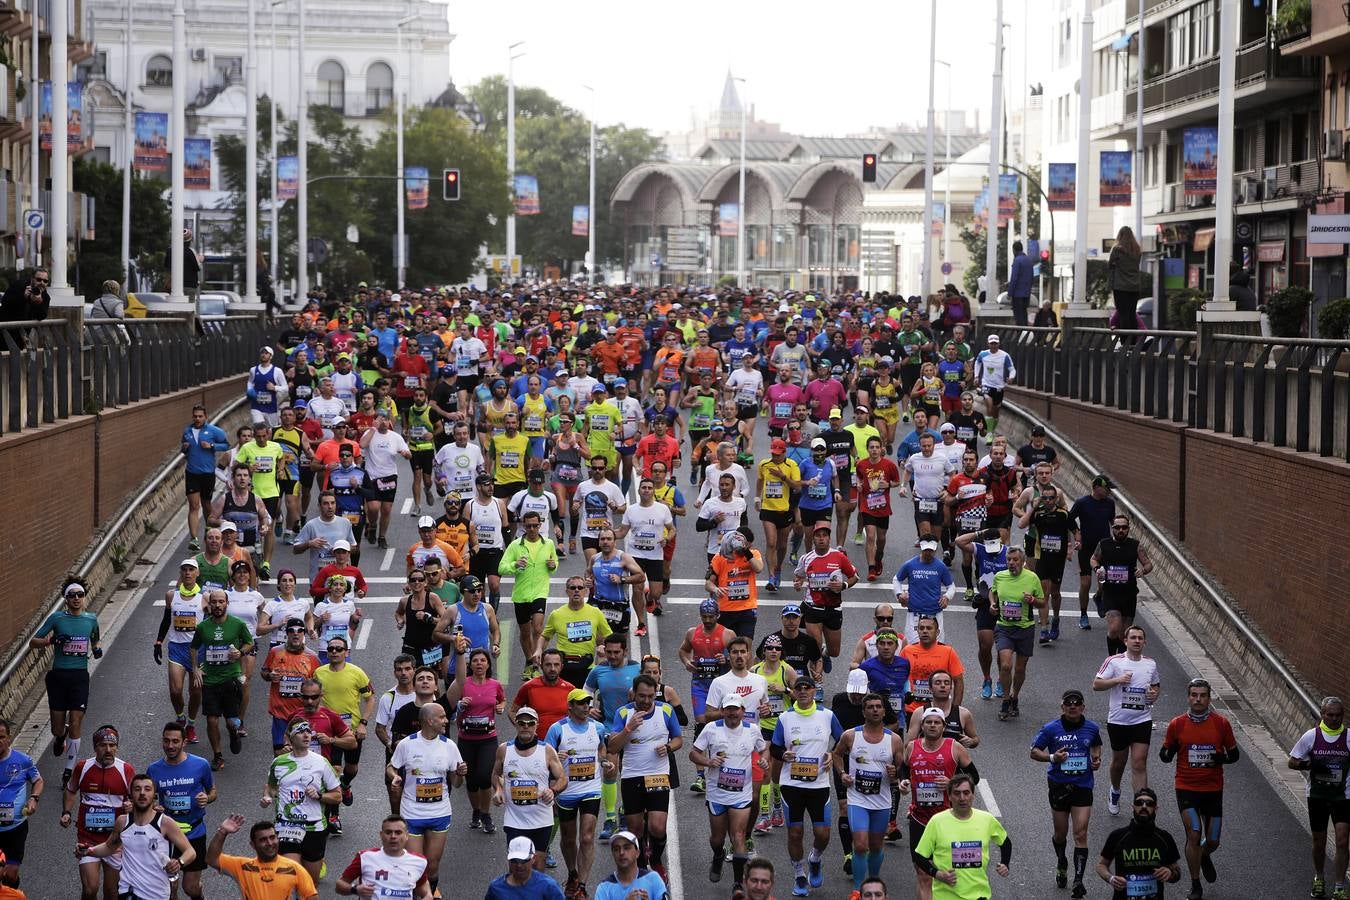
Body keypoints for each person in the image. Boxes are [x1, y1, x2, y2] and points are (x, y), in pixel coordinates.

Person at [1160, 679, 1238, 900]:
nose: (1198, 699)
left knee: (1212, 840)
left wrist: (1220, 758)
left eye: (1202, 695)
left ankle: (1203, 855)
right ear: (1188, 697)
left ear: (1209, 698)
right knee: (1194, 832)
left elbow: (1234, 755)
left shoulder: (1221, 723)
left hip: (1213, 789)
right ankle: (1195, 885)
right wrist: (1172, 748)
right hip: (1186, 787)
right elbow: (1164, 757)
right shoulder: (1177, 724)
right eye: (1194, 695)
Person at [607, 674, 683, 884]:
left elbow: (678, 739)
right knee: (635, 828)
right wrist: (628, 728)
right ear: (633, 693)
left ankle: (657, 861)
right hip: (632, 776)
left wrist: (668, 747)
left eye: (650, 696)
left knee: (658, 827)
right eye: (642, 696)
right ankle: (640, 868)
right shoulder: (623, 713)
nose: (646, 701)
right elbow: (613, 747)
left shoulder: (665, 710)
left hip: (658, 774)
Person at [771, 676, 843, 897]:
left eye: (807, 688)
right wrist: (783, 754)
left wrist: (832, 753)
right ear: (793, 692)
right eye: (798, 688)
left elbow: (844, 739)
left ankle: (814, 859)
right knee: (795, 833)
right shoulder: (785, 718)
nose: (802, 691)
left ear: (814, 691)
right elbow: (774, 748)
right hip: (791, 784)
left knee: (822, 834)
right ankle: (799, 874)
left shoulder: (827, 715)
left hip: (819, 785)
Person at [691, 694, 768, 894]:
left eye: (736, 709)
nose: (733, 713)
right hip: (717, 793)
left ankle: (738, 884)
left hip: (741, 794)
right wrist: (708, 762)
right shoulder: (711, 729)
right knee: (717, 839)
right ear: (723, 711)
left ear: (743, 711)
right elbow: (693, 753)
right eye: (729, 709)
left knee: (739, 836)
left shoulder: (752, 730)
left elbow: (763, 750)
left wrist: (763, 760)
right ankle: (718, 856)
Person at [388, 704, 466, 897]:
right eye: (442, 717)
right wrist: (394, 776)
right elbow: (392, 766)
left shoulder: (449, 746)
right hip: (412, 812)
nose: (446, 721)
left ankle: (429, 892)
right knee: (416, 866)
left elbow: (456, 783)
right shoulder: (406, 744)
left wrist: (460, 774)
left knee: (432, 866)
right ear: (430, 721)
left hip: (439, 813)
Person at [75, 774, 195, 900]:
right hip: (127, 891)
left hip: (156, 894)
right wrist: (88, 851)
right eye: (137, 789)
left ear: (154, 795)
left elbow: (190, 852)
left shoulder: (165, 823)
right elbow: (109, 847)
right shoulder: (122, 822)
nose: (142, 793)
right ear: (131, 795)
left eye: (147, 789)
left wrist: (179, 862)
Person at [1031, 689, 1103, 898]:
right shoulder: (1051, 729)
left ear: (1083, 707)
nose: (1073, 706)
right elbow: (1034, 752)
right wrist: (1053, 757)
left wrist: (1096, 758)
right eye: (1068, 703)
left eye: (1077, 703)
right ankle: (1062, 861)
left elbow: (1096, 745)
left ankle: (1078, 880)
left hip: (1082, 786)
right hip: (1059, 786)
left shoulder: (1091, 728)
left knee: (1080, 834)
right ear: (1062, 707)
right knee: (1060, 833)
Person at [30, 579, 101, 784]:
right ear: (66, 598)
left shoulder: (91, 619)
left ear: (84, 596)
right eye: (72, 595)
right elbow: (33, 642)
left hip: (79, 676)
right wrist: (52, 640)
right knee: (57, 728)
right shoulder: (57, 618)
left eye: (80, 594)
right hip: (58, 676)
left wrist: (96, 648)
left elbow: (95, 637)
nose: (77, 598)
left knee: (77, 720)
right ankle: (61, 737)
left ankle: (69, 770)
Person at [545, 688, 614, 900]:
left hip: (590, 789)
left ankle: (582, 886)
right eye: (581, 703)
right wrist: (557, 757)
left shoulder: (598, 727)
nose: (586, 707)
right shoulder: (558, 730)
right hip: (566, 792)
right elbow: (545, 758)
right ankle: (573, 874)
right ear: (570, 706)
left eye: (588, 703)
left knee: (586, 837)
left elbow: (602, 748)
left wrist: (604, 762)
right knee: (568, 839)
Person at [834, 693, 904, 897]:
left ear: (883, 711)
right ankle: (857, 889)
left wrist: (895, 772)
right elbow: (837, 754)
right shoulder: (850, 736)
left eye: (878, 707)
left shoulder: (895, 740)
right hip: (858, 799)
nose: (875, 710)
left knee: (875, 846)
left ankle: (874, 884)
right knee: (861, 844)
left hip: (881, 801)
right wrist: (843, 774)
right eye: (870, 707)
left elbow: (901, 768)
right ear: (863, 711)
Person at [262, 718, 343, 884]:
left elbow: (337, 796)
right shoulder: (278, 762)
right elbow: (270, 786)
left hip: (314, 827)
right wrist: (267, 797)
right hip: (286, 826)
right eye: (300, 731)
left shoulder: (321, 762)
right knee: (289, 879)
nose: (306, 734)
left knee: (308, 885)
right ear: (290, 737)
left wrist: (320, 796)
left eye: (308, 731)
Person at [1092, 624, 1161, 815]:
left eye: (1140, 638)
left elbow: (1156, 686)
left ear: (1145, 642)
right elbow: (1096, 684)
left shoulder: (1150, 664)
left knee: (1139, 763)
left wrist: (1154, 695)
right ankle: (1115, 790)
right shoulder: (1114, 662)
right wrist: (1117, 680)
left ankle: (1142, 805)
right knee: (1119, 762)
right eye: (1133, 638)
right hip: (1118, 721)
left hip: (1142, 720)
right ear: (1125, 641)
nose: (1137, 641)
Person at [63, 725, 135, 900]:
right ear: (95, 747)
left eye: (112, 745)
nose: (108, 750)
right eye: (103, 745)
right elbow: (71, 790)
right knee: (90, 889)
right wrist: (66, 812)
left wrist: (131, 806)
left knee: (112, 893)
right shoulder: (83, 767)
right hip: (87, 838)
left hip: (115, 841)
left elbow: (140, 800)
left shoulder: (126, 770)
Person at [144, 720, 214, 900]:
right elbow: (147, 800)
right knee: (170, 886)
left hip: (194, 831)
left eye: (175, 741)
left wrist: (207, 798)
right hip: (166, 835)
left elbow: (212, 791)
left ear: (184, 742)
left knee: (190, 888)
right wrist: (154, 808)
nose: (170, 745)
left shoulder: (201, 765)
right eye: (166, 741)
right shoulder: (154, 770)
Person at [912, 774, 1011, 900]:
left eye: (966, 793)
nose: (962, 798)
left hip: (979, 895)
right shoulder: (937, 821)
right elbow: (919, 856)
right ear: (949, 797)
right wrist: (937, 874)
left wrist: (1005, 863)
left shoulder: (986, 819)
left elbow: (1005, 842)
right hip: (945, 896)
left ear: (973, 795)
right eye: (957, 793)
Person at [1289, 697, 1350, 900]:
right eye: (1329, 715)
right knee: (1319, 841)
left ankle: (1340, 887)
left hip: (1343, 795)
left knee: (1342, 840)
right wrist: (1311, 766)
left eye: (1338, 715)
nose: (1334, 719)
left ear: (1343, 715)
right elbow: (1292, 761)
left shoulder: (1349, 737)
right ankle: (1319, 877)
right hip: (1317, 794)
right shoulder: (1311, 736)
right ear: (1322, 715)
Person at [492, 708, 567, 872]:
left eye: (530, 723)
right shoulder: (504, 750)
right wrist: (498, 789)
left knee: (538, 865)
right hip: (514, 820)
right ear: (516, 724)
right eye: (521, 723)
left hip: (541, 819)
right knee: (516, 866)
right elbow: (495, 774)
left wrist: (553, 791)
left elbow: (562, 779)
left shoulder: (547, 750)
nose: (526, 726)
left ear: (536, 725)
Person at [189, 588, 254, 771]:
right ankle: (217, 755)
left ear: (227, 603)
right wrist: (195, 669)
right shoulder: (203, 627)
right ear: (209, 605)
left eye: (221, 602)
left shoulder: (237, 624)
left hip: (230, 679)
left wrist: (239, 652)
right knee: (211, 720)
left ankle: (233, 733)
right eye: (214, 602)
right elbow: (193, 648)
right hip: (210, 679)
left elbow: (250, 643)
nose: (217, 605)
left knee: (231, 721)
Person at [500, 510, 560, 675]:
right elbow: (501, 567)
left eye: (535, 525)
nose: (532, 529)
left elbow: (554, 564)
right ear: (523, 526)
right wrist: (515, 565)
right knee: (525, 632)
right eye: (528, 526)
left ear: (540, 525)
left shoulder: (547, 544)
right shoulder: (515, 545)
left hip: (540, 593)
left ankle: (536, 661)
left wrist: (553, 566)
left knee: (538, 628)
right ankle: (529, 661)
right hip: (521, 595)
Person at [1096, 787, 1183, 900]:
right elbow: (1101, 865)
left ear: (1155, 808)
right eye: (1139, 803)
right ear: (1133, 807)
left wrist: (1170, 873)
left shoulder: (1164, 838)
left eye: (1149, 803)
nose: (1144, 806)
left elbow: (1176, 872)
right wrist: (1111, 878)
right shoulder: (1118, 836)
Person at [206, 814, 319, 900]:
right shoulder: (243, 866)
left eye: (272, 837)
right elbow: (212, 859)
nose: (270, 843)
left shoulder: (294, 868)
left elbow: (312, 897)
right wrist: (222, 832)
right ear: (253, 845)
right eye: (263, 840)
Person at [793, 521, 858, 673]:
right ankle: (818, 684)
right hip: (813, 607)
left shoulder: (839, 557)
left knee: (835, 652)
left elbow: (854, 576)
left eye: (824, 536)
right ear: (813, 539)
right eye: (818, 536)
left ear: (829, 539)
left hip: (833, 608)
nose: (821, 539)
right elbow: (798, 576)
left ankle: (825, 653)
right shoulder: (806, 558)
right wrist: (797, 583)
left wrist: (843, 586)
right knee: (815, 651)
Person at [990, 547, 1044, 721]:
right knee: (1006, 665)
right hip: (1004, 627)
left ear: (1022, 562)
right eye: (1009, 560)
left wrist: (1033, 600)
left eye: (1015, 560)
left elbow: (1043, 603)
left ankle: (1015, 696)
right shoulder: (1000, 576)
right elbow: (993, 591)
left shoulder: (1032, 578)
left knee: (1020, 668)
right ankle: (1006, 699)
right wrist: (992, 603)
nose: (1012, 563)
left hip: (1025, 628)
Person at [1092, 514, 1153, 656]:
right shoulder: (1104, 544)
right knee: (1114, 628)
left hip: (1129, 593)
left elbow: (1149, 564)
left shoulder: (1135, 545)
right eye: (1117, 527)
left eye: (1124, 527)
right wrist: (1097, 569)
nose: (1121, 530)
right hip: (1110, 592)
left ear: (1128, 529)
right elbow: (1094, 559)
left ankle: (1121, 660)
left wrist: (1142, 570)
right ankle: (1111, 658)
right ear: (1112, 528)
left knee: (1124, 634)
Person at [336, 816, 431, 898]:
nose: (393, 836)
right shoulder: (365, 857)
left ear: (406, 836)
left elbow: (422, 886)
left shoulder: (419, 862)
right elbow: (339, 885)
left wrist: (428, 895)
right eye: (388, 832)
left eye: (398, 833)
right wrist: (355, 889)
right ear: (381, 835)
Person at [1068, 474, 1117, 631]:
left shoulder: (1110, 504)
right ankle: (1083, 614)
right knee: (1086, 583)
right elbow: (1069, 518)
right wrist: (1076, 533)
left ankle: (1099, 596)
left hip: (1103, 547)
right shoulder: (1082, 503)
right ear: (1096, 488)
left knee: (1104, 579)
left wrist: (1116, 540)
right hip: (1086, 547)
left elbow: (1112, 522)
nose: (1109, 492)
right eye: (1106, 488)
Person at [182, 405, 231, 551]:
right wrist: (184, 448)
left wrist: (211, 445)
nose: (197, 419)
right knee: (194, 506)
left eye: (200, 416)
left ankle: (209, 530)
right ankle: (194, 539)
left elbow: (226, 445)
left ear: (205, 416)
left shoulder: (214, 431)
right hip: (192, 473)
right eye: (195, 416)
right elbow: (183, 450)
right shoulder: (187, 431)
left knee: (206, 505)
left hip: (207, 473)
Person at [0, 718, 42, 886]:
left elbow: (38, 781)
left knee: (10, 874)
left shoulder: (23, 760)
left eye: (1, 736)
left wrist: (34, 798)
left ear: (9, 738)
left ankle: (12, 892)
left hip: (15, 828)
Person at [893, 538, 955, 643]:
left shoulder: (940, 566)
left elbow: (951, 586)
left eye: (931, 550)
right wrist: (899, 594)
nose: (928, 553)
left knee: (937, 647)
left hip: (935, 614)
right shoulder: (910, 564)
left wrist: (947, 597)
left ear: (935, 549)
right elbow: (896, 580)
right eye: (926, 550)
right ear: (921, 548)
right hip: (914, 615)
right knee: (912, 648)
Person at [592, 829, 669, 900]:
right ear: (613, 855)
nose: (621, 852)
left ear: (637, 853)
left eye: (626, 848)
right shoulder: (604, 888)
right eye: (616, 849)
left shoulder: (653, 879)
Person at [485, 836, 568, 899]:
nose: (519, 865)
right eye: (515, 860)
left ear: (533, 859)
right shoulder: (496, 888)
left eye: (524, 860)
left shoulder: (548, 887)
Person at [1108, 226, 1143, 331]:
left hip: (1120, 287)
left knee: (1123, 313)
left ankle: (1125, 343)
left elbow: (1110, 264)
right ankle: (1133, 342)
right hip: (1135, 287)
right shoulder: (1137, 250)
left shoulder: (1117, 249)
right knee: (1132, 313)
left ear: (1120, 236)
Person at [1008, 240, 1033, 325]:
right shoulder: (1029, 260)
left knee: (1018, 317)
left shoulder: (1017, 261)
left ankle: (1020, 335)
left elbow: (1014, 278)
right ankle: (1025, 334)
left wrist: (1010, 293)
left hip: (1017, 294)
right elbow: (1031, 278)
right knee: (1024, 314)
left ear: (1014, 250)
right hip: (1026, 294)